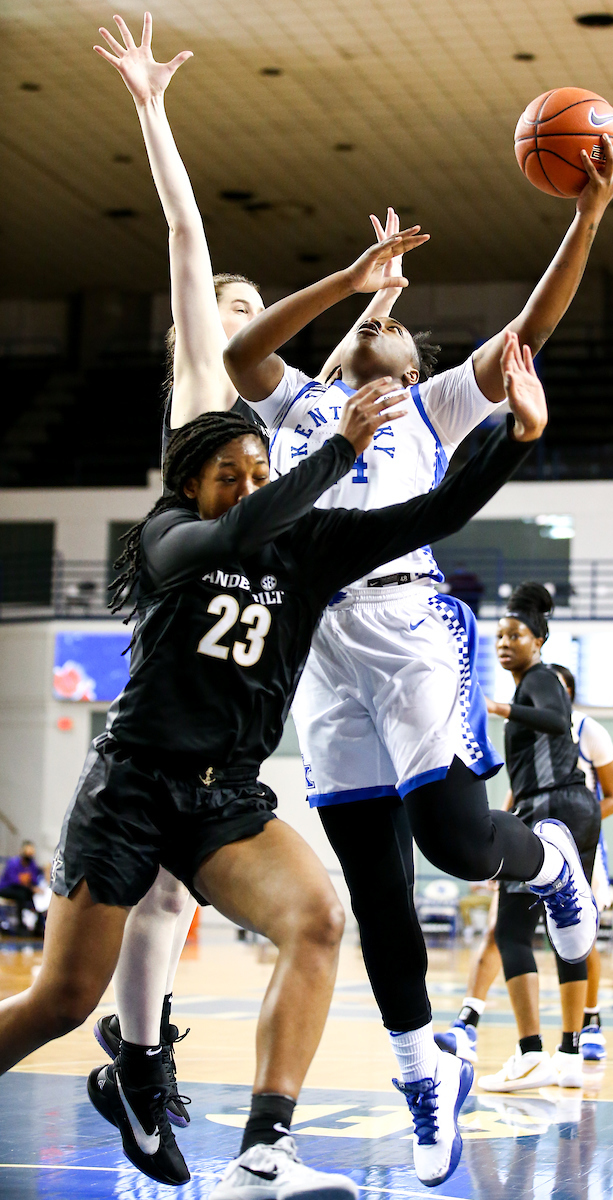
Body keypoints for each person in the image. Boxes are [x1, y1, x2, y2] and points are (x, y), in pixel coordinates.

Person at [0, 332, 569, 1197]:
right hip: (130, 788)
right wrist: (338, 448)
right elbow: (237, 530)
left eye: (260, 471)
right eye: (230, 472)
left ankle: (264, 1152)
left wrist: (515, 439)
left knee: (319, 920)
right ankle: (139, 1074)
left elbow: (432, 516)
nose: (249, 485)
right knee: (64, 1001)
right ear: (190, 485)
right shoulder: (169, 537)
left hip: (224, 797)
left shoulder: (307, 546)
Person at [223, 106, 613, 1172]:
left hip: (408, 627)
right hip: (318, 650)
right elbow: (237, 347)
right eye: (364, 333)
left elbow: (530, 330)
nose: (375, 343)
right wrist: (354, 282)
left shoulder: (434, 407)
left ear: (414, 365)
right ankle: (421, 1074)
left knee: (454, 846)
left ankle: (546, 864)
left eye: (393, 338)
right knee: (373, 886)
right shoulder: (296, 403)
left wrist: (586, 211)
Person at [88, 11, 390, 1135]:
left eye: (243, 309)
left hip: (243, 624)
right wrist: (154, 109)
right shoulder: (197, 389)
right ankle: (139, 1055)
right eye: (225, 305)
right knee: (153, 885)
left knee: (170, 887)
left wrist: (372, 300)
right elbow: (182, 231)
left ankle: (136, 1060)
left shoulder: (262, 428)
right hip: (184, 611)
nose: (232, 313)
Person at [452, 584, 600, 1093]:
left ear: (538, 640)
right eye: (498, 635)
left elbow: (559, 723)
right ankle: (571, 1055)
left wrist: (499, 709)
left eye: (515, 634)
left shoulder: (538, 680)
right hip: (571, 808)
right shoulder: (532, 683)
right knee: (566, 930)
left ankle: (532, 1054)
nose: (503, 642)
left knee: (513, 931)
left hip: (551, 810)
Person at [550, 664, 613, 1064]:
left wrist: (580, 817)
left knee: (584, 934)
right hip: (540, 843)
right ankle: (471, 1021)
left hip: (583, 845)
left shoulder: (589, 731)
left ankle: (591, 1023)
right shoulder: (532, 733)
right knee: (506, 930)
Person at [0, 841, 46, 935]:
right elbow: (14, 880)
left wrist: (34, 888)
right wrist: (31, 887)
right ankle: (19, 924)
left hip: (24, 889)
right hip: (7, 888)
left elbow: (34, 879)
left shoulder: (32, 864)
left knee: (36, 896)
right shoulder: (13, 862)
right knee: (22, 895)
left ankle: (39, 925)